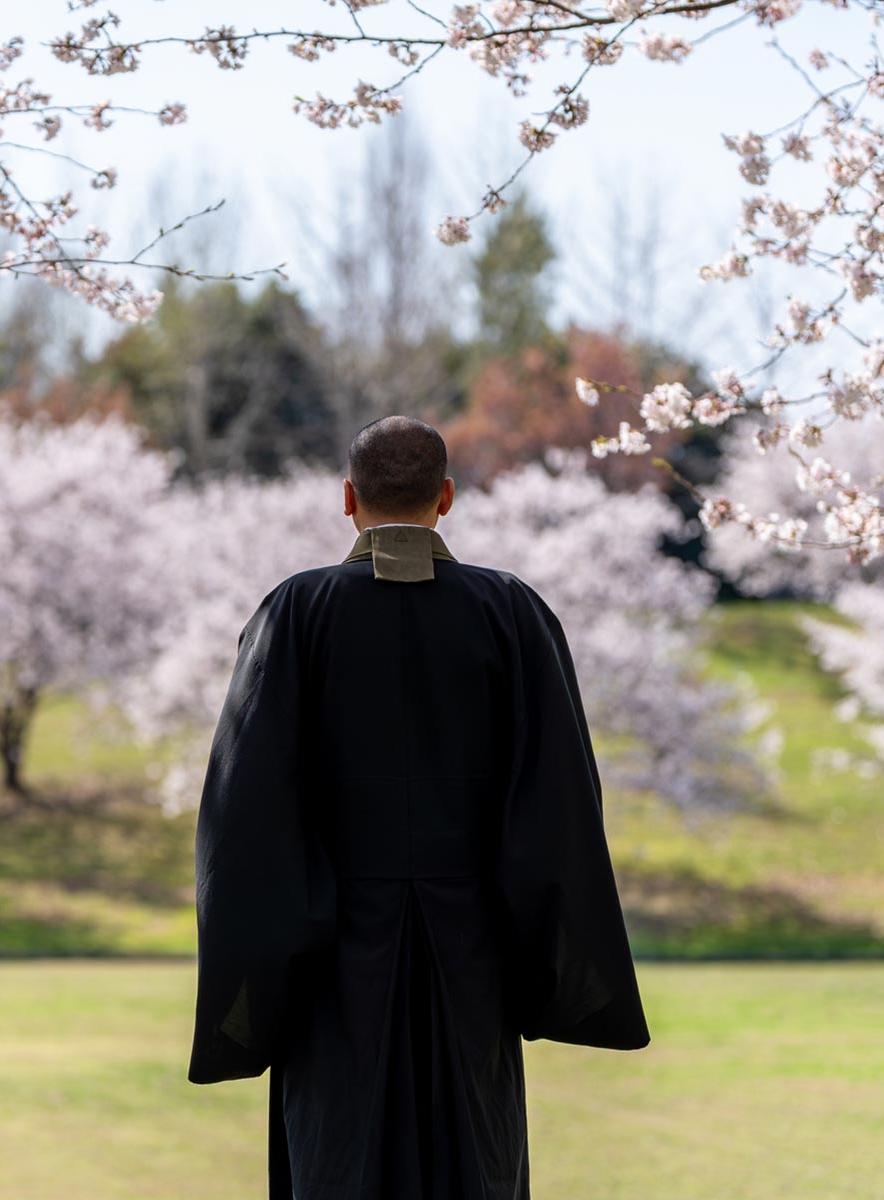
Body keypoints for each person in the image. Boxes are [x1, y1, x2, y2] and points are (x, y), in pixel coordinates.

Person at [186, 415, 650, 1199]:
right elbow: (558, 810)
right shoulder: (512, 613)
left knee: (337, 1171)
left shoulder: (293, 615)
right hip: (471, 970)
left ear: (347, 499)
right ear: (446, 497)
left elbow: (245, 821)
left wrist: (258, 983)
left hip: (331, 973)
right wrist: (540, 961)